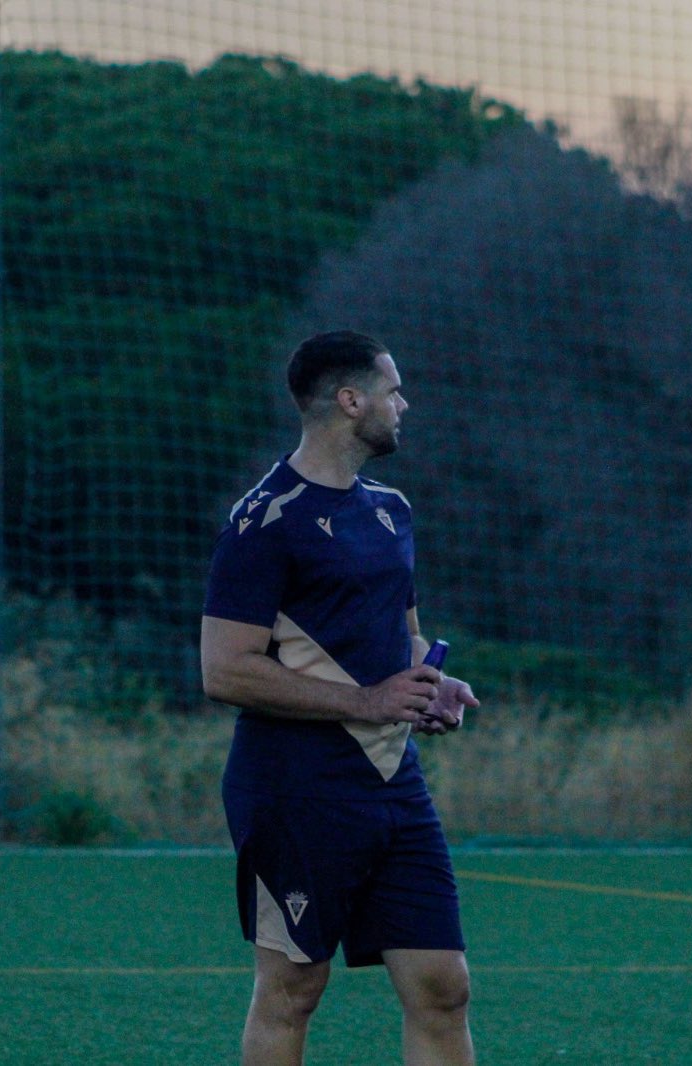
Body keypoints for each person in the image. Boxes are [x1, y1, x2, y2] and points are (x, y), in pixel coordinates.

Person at [200, 330, 480, 1066]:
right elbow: (224, 671)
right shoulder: (263, 521)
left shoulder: (392, 510)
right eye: (393, 390)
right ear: (351, 401)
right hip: (295, 787)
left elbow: (405, 642)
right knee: (294, 988)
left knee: (443, 986)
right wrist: (371, 701)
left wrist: (431, 684)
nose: (404, 404)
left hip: (394, 785)